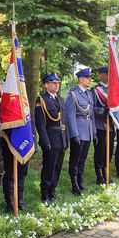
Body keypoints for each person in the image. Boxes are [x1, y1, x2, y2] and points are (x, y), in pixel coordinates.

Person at [35, 73, 68, 202]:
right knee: (49, 167)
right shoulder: (41, 100)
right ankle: (45, 193)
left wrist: (67, 138)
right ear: (46, 85)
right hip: (50, 138)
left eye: (58, 83)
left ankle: (53, 190)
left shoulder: (60, 100)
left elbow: (64, 121)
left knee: (58, 166)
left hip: (61, 138)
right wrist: (45, 140)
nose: (56, 85)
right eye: (53, 83)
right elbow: (40, 123)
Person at [64, 68, 96, 195]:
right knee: (75, 159)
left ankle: (80, 180)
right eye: (88, 78)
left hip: (87, 130)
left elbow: (91, 114)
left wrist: (93, 132)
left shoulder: (89, 94)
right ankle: (74, 183)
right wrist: (74, 134)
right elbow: (70, 116)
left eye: (90, 78)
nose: (90, 80)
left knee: (82, 159)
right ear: (81, 79)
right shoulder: (73, 94)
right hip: (78, 130)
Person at [92, 66, 114, 184]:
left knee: (109, 150)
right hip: (100, 125)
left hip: (111, 125)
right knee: (100, 150)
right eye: (106, 74)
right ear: (102, 75)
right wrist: (102, 110)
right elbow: (91, 108)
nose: (109, 76)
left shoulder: (113, 89)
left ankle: (106, 171)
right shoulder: (95, 90)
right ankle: (99, 174)